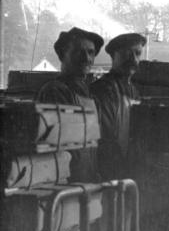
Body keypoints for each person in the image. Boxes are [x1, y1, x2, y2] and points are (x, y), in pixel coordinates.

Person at [38, 26, 104, 182]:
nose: (87, 58)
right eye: (79, 52)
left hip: (86, 183)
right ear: (62, 55)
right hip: (65, 186)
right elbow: (57, 150)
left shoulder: (90, 96)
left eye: (91, 52)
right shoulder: (55, 91)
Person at [90, 32, 146, 180]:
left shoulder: (134, 91)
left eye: (137, 54)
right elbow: (106, 138)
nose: (133, 59)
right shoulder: (103, 89)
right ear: (114, 56)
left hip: (126, 169)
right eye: (126, 54)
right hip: (108, 170)